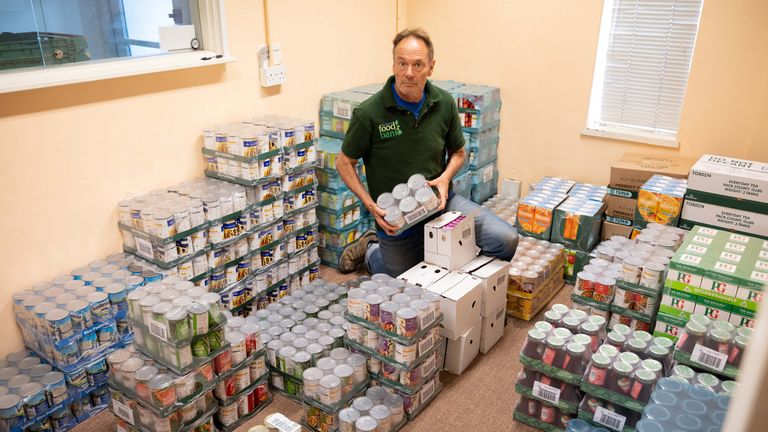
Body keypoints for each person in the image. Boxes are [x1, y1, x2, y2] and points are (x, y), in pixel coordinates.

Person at [335, 27, 518, 277]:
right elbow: (344, 162)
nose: (408, 73)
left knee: (505, 239)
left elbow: (459, 152)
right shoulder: (369, 113)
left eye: (418, 64)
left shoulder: (443, 103)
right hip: (397, 218)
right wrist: (369, 205)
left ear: (431, 67)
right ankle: (371, 250)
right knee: (406, 284)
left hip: (441, 203)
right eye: (402, 63)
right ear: (394, 64)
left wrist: (445, 178)